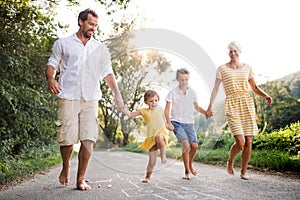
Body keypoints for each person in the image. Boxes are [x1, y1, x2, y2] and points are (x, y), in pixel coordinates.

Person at [45, 8, 124, 190]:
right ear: (81, 22)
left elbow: (107, 73)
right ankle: (66, 166)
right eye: (90, 24)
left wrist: (117, 94)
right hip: (68, 96)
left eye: (95, 25)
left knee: (88, 138)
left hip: (91, 98)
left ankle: (80, 179)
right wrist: (50, 79)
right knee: (67, 139)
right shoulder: (63, 43)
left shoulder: (100, 48)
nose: (93, 28)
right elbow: (52, 65)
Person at [206, 41, 272, 180]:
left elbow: (254, 87)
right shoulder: (222, 69)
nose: (233, 53)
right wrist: (210, 106)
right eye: (230, 51)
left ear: (239, 52)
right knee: (240, 141)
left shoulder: (247, 68)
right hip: (232, 104)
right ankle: (230, 160)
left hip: (247, 104)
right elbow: (216, 89)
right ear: (228, 52)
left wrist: (265, 95)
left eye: (235, 51)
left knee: (248, 141)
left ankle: (243, 171)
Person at [122, 90, 173, 183]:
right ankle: (147, 177)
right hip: (151, 138)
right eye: (151, 101)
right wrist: (122, 108)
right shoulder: (144, 111)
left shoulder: (161, 109)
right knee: (151, 162)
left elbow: (166, 119)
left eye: (156, 100)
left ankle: (163, 155)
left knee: (159, 137)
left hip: (161, 134)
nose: (154, 103)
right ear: (146, 102)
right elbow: (130, 114)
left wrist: (169, 125)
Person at [165, 68, 207, 180]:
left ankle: (190, 163)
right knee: (185, 144)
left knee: (194, 145)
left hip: (189, 123)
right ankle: (187, 171)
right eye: (182, 79)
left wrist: (206, 112)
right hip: (176, 122)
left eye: (186, 80)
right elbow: (166, 110)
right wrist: (168, 123)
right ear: (177, 79)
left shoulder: (192, 92)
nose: (184, 82)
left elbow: (197, 107)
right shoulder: (172, 93)